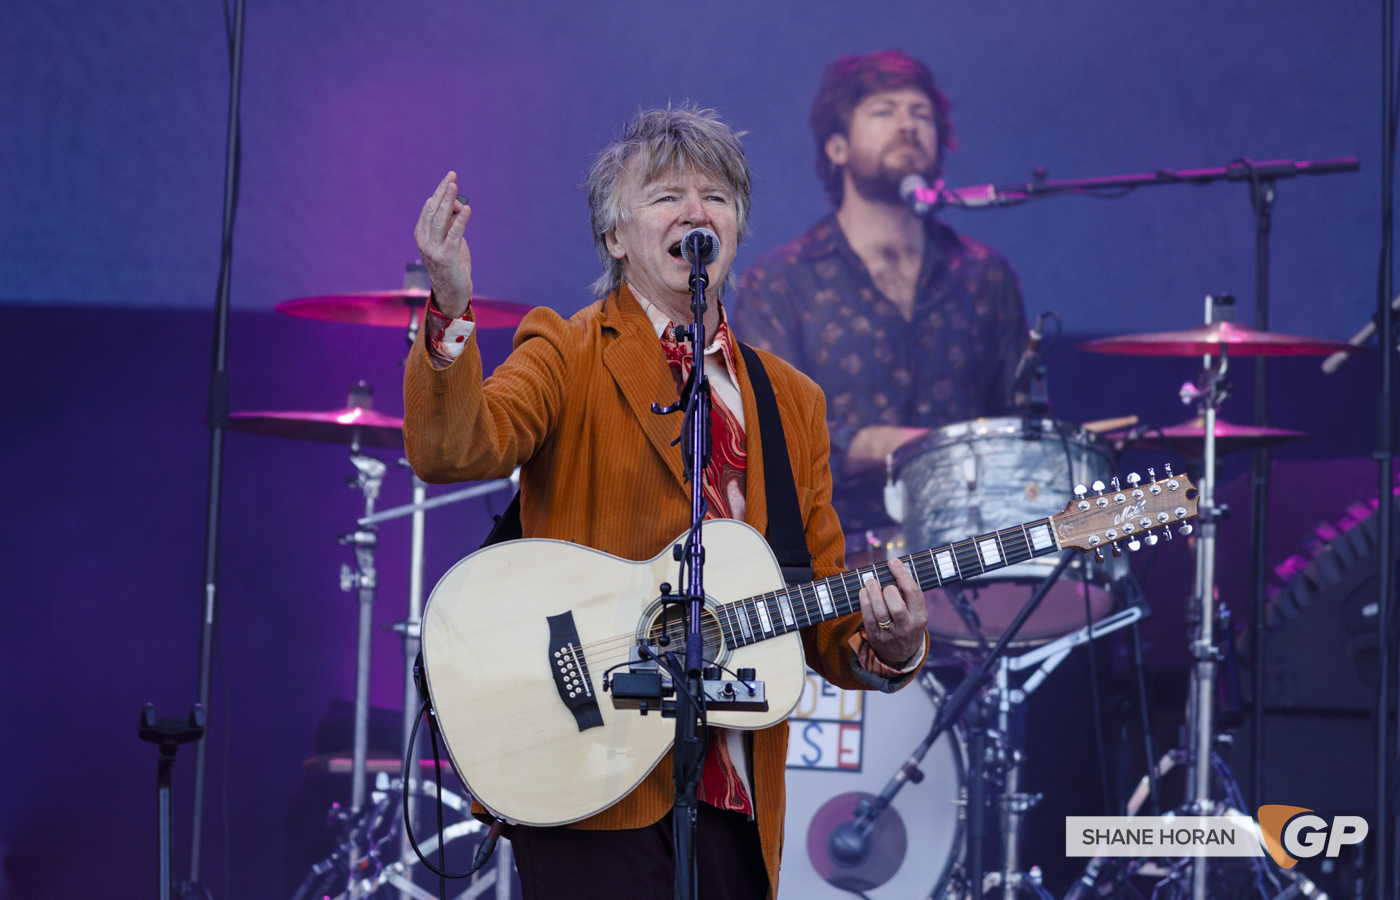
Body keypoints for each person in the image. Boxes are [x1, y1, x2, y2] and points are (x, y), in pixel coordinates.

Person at [403, 106, 929, 900]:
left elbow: (819, 613)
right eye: (665, 196)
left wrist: (889, 645)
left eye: (715, 197)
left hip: (737, 792)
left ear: (738, 230)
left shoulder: (793, 400)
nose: (694, 212)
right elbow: (454, 450)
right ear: (616, 237)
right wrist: (449, 307)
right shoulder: (569, 348)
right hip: (588, 769)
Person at [733, 50, 1030, 535]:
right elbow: (768, 438)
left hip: (969, 551)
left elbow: (1020, 426)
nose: (907, 125)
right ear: (837, 148)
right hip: (833, 560)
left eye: (921, 114)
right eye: (883, 111)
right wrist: (871, 444)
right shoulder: (782, 281)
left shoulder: (984, 275)